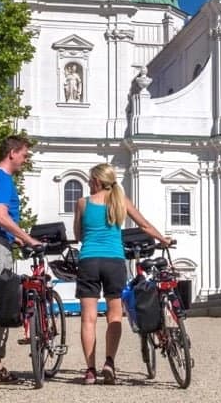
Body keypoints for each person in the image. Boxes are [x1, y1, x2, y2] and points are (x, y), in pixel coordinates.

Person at [73, 163, 168, 385]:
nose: (88, 183)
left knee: (88, 318)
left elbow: (78, 235)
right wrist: (163, 239)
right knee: (114, 316)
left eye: (89, 180)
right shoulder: (121, 202)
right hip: (114, 261)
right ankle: (109, 363)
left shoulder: (82, 204)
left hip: (89, 261)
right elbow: (144, 225)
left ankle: (90, 370)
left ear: (97, 181)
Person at [0, 135, 42, 385]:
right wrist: (28, 237)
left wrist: (15, 240)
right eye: (24, 154)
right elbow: (0, 216)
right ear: (12, 153)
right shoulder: (2, 179)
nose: (25, 160)